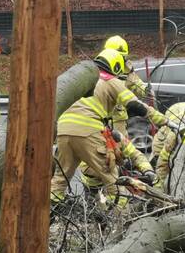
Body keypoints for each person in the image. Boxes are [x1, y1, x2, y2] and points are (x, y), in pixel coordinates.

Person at [50, 48, 166, 206]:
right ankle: (118, 223)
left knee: (59, 180)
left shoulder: (83, 79)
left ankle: (50, 215)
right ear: (117, 66)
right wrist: (164, 120)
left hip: (63, 130)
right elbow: (135, 104)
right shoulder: (111, 80)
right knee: (114, 184)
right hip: (88, 130)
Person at [79, 129, 156, 208]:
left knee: (119, 202)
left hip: (113, 177)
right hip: (92, 185)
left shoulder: (118, 138)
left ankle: (120, 216)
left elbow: (136, 155)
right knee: (95, 209)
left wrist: (148, 170)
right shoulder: (90, 143)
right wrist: (116, 171)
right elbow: (86, 168)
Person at [103, 35, 151, 134]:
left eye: (122, 56)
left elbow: (136, 84)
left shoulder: (127, 69)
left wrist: (145, 89)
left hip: (118, 118)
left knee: (120, 145)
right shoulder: (98, 68)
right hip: (100, 116)